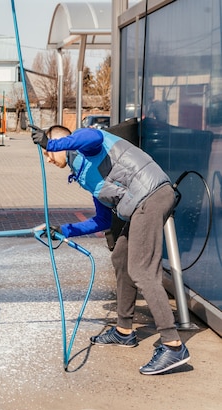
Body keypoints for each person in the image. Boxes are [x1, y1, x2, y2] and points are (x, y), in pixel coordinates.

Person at [31, 124, 191, 375]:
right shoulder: (84, 173)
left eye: (49, 153)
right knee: (121, 256)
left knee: (142, 271)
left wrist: (49, 143)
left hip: (151, 196)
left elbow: (91, 135)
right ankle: (124, 331)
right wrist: (64, 230)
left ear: (63, 141)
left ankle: (173, 346)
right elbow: (103, 220)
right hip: (138, 205)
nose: (48, 159)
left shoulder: (90, 145)